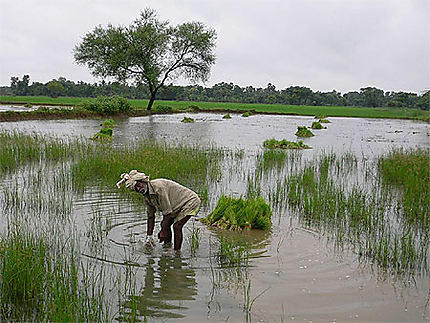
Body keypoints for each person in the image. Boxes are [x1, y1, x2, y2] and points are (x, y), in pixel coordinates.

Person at [116, 170, 201, 250]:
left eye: (138, 185)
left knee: (176, 226)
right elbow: (150, 216)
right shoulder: (147, 197)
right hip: (176, 205)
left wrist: (162, 231)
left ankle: (176, 254)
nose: (139, 189)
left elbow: (167, 213)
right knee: (165, 225)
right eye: (136, 189)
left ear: (143, 181)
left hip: (190, 201)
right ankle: (167, 248)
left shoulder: (158, 188)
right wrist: (149, 237)